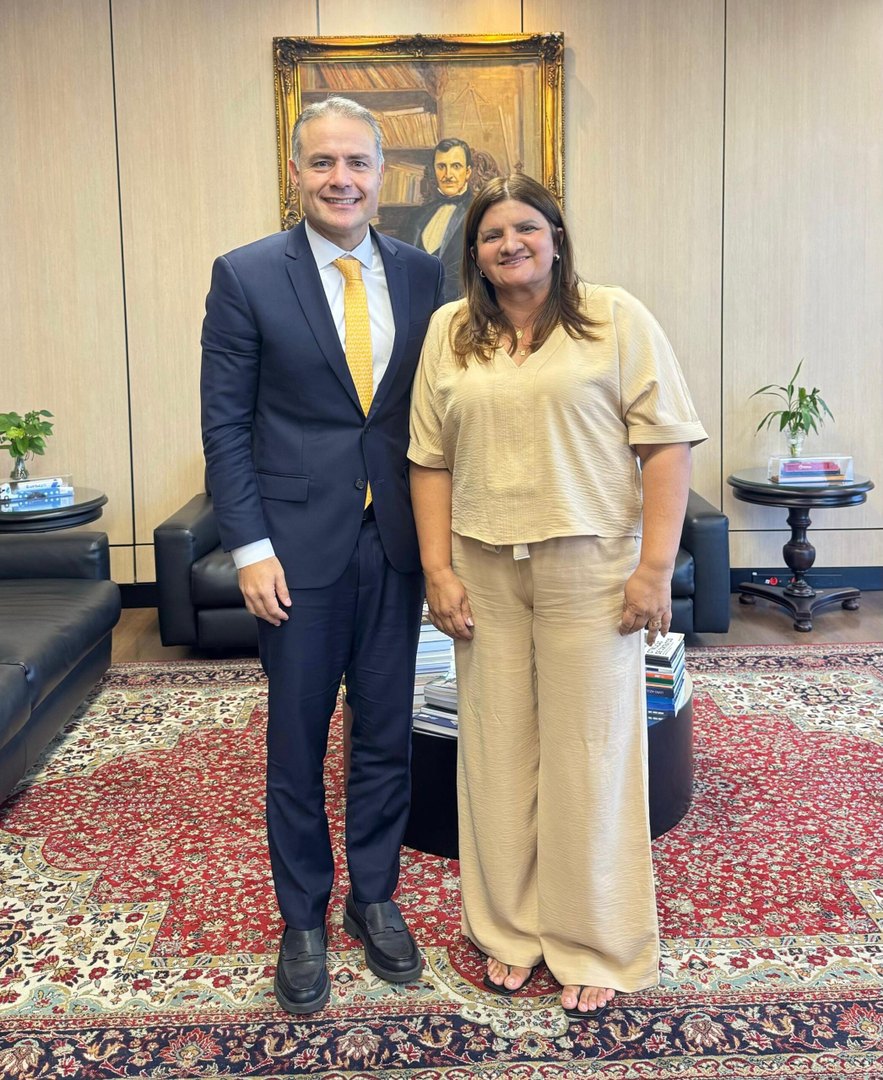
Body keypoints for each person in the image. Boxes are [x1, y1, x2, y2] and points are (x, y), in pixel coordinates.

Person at [407, 174, 707, 1018]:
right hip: (483, 570)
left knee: (590, 754)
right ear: (474, 254)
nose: (510, 244)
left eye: (526, 228)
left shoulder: (614, 318)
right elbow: (427, 459)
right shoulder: (449, 332)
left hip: (591, 571)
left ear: (556, 237)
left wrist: (653, 569)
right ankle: (508, 931)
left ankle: (593, 940)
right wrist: (437, 570)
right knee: (495, 754)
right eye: (492, 234)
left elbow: (666, 445)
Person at [200, 96, 445, 1015]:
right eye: (322, 163)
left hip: (396, 544)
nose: (341, 179)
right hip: (293, 553)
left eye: (357, 163)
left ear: (382, 175)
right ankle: (301, 917)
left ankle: (372, 898)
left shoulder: (423, 275)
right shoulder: (245, 274)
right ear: (296, 172)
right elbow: (225, 425)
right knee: (296, 744)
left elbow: (434, 414)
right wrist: (250, 546)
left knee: (386, 735)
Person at [407, 138, 474, 303]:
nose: (448, 175)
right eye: (441, 167)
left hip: (460, 308)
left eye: (456, 166)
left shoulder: (480, 213)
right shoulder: (417, 217)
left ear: (468, 172)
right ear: (434, 171)